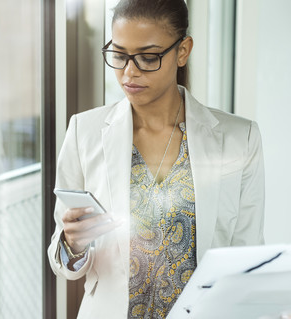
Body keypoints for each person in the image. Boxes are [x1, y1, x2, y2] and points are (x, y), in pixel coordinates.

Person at [47, 0, 265, 318]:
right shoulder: (85, 131)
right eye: (119, 55)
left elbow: (248, 256)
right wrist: (72, 243)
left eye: (148, 57)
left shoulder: (239, 138)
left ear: (182, 50)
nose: (129, 72)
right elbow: (63, 261)